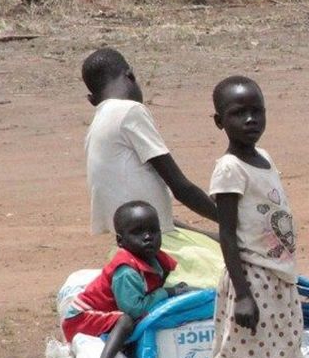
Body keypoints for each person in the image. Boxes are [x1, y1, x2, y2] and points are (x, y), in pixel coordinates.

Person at [206, 76, 306, 358]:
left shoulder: (262, 157)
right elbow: (227, 235)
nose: (250, 119)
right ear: (219, 121)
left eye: (256, 111)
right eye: (237, 114)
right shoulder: (229, 169)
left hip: (277, 280)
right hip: (253, 282)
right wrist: (244, 295)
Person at [82, 48, 218, 236]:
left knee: (212, 241)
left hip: (130, 237)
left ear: (92, 100)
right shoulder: (130, 111)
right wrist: (229, 221)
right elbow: (180, 187)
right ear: (130, 75)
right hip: (154, 241)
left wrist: (210, 236)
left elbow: (161, 221)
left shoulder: (95, 127)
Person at [62, 201, 191, 358]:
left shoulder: (157, 261)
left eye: (153, 231)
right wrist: (166, 293)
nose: (147, 237)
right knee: (126, 321)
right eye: (137, 232)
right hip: (80, 319)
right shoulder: (126, 271)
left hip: (106, 314)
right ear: (120, 241)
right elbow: (134, 309)